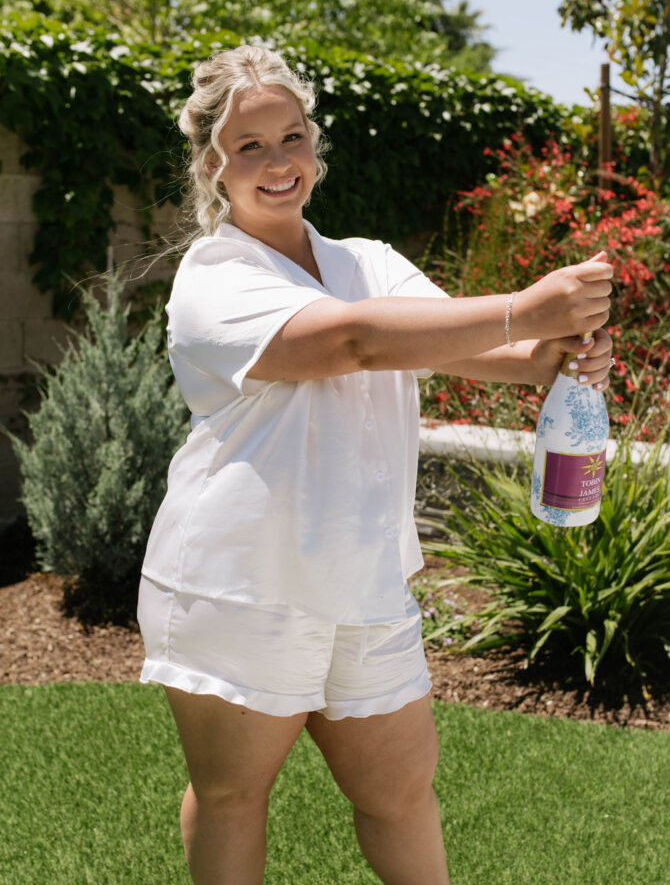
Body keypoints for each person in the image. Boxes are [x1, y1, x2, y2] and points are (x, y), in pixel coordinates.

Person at [137, 45, 614, 885]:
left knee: (400, 792)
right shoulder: (212, 277)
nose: (278, 162)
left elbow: (478, 347)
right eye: (250, 146)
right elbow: (352, 343)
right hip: (243, 584)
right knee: (233, 797)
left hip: (366, 583)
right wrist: (521, 309)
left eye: (291, 137)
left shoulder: (370, 260)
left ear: (314, 145)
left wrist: (559, 351)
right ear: (212, 163)